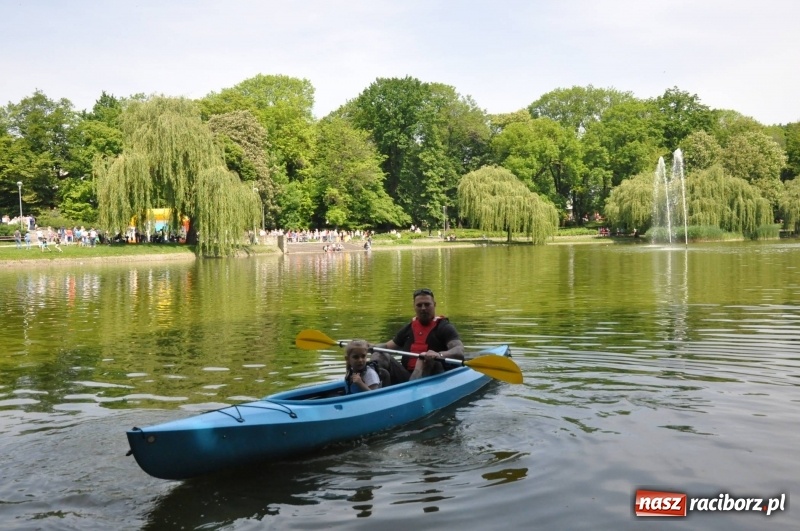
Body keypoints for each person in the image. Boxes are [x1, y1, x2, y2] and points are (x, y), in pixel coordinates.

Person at [371, 288, 465, 383]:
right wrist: (371, 347)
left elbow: (459, 350)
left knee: (430, 360)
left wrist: (439, 354)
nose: (423, 308)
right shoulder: (408, 328)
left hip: (433, 376)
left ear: (434, 305)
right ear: (414, 307)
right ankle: (375, 387)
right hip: (407, 376)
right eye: (419, 305)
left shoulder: (444, 327)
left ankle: (413, 389)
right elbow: (387, 346)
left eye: (427, 304)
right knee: (380, 354)